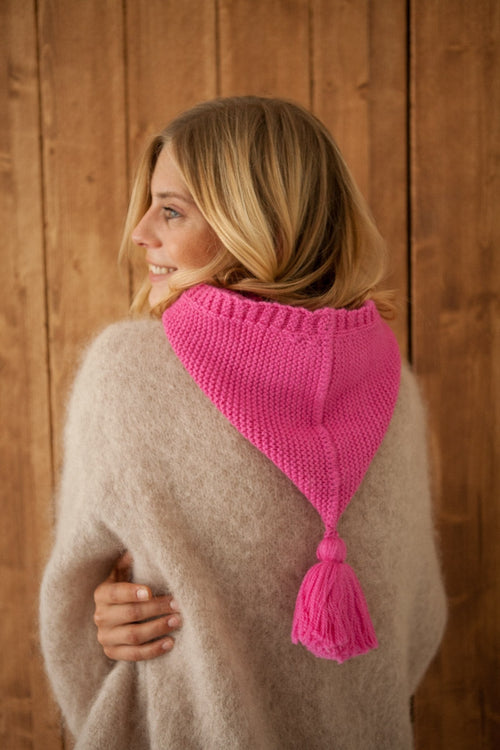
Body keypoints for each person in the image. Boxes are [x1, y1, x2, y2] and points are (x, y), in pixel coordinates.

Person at [39, 96, 446, 749]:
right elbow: (418, 624)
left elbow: (67, 617)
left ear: (259, 222)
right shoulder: (394, 385)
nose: (140, 232)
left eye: (171, 210)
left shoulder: (128, 373)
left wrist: (108, 635)